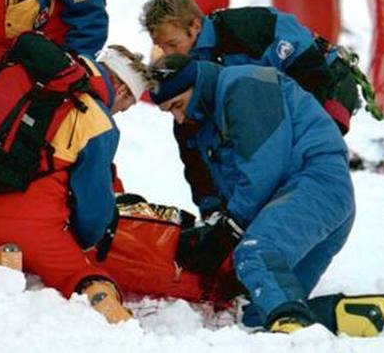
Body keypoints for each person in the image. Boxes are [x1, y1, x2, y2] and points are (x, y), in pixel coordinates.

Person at [0, 34, 148, 324]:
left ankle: (0, 263)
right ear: (123, 91)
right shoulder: (96, 120)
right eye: (123, 108)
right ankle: (100, 298)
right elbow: (93, 211)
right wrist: (83, 241)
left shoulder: (8, 76)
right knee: (79, 273)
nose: (117, 113)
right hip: (36, 232)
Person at [147, 53, 356, 333]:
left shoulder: (242, 84)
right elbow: (222, 182)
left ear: (195, 85)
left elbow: (264, 167)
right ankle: (357, 315)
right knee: (260, 310)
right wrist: (214, 224)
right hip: (303, 197)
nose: (179, 117)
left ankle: (290, 337)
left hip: (316, 184)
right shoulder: (209, 117)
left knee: (256, 254)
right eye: (170, 111)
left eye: (178, 105)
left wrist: (229, 227)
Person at [141, 0, 363, 132]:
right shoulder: (195, 60)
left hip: (329, 81)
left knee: (311, 151)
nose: (169, 52)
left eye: (173, 44)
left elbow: (310, 69)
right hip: (285, 93)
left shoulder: (248, 28)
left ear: (195, 27)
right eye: (163, 47)